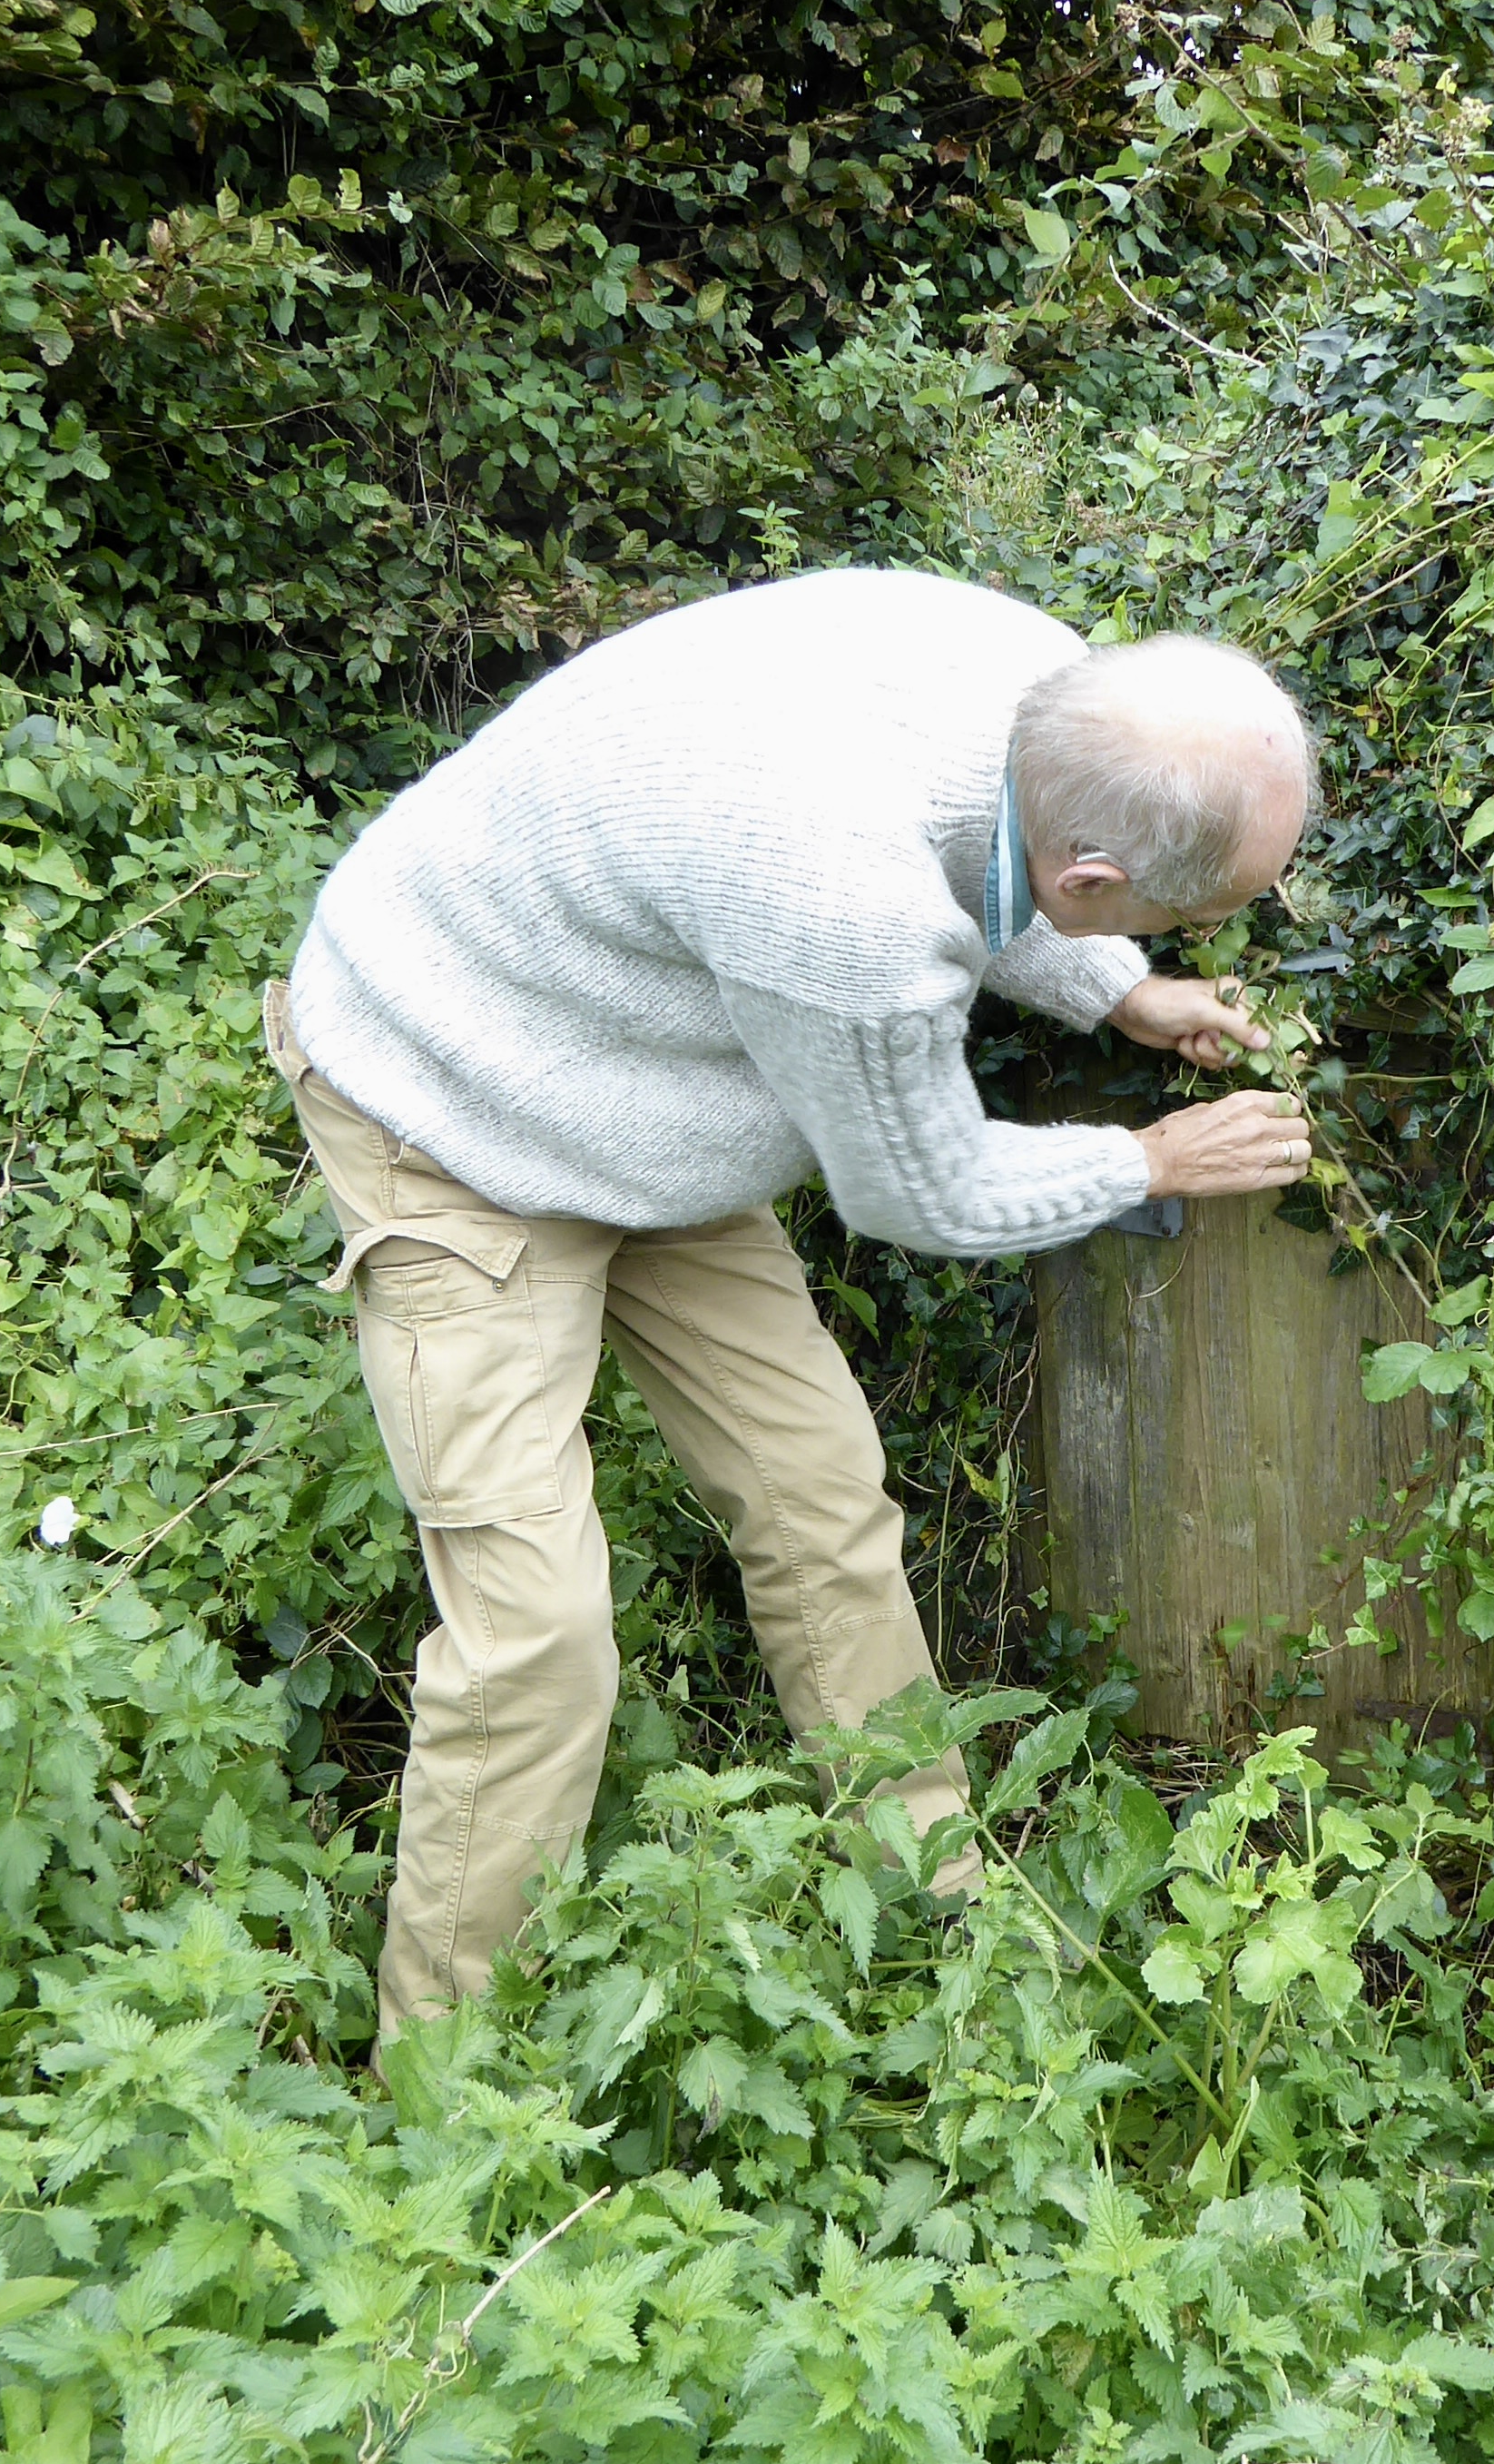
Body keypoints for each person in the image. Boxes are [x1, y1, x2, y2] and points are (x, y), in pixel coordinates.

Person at [263, 567, 1318, 2032]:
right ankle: (445, 2080)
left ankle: (936, 1908)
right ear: (1098, 870)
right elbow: (921, 1191)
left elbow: (998, 860)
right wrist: (1150, 1157)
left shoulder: (1041, 685)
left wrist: (1117, 989)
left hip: (657, 1108)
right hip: (453, 1103)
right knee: (537, 1639)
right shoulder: (846, 919)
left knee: (822, 1502)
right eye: (1207, 905)